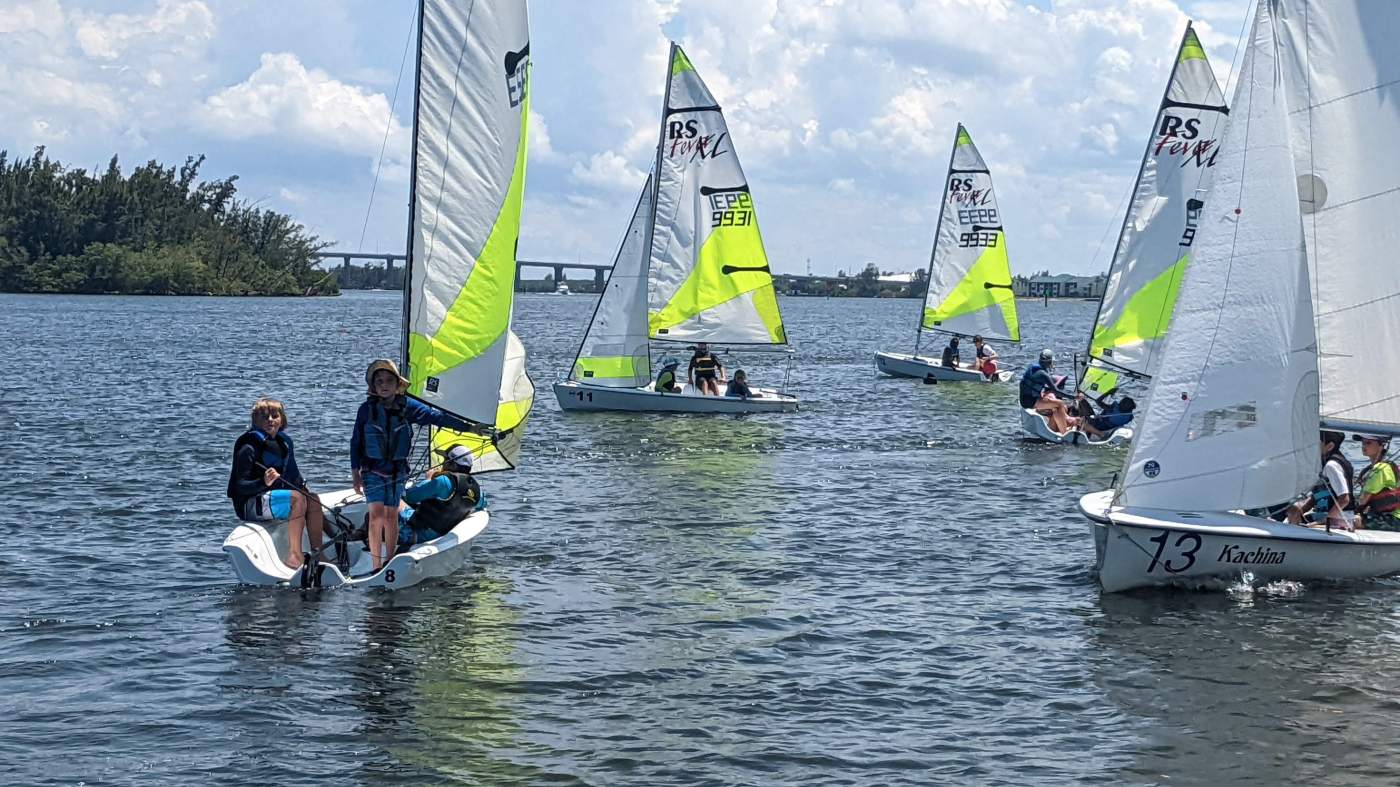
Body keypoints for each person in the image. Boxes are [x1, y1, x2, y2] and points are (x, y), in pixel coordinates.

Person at [351, 358, 476, 574]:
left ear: (397, 383)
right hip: (372, 471)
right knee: (376, 515)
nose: (384, 385)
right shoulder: (365, 410)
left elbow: (437, 417)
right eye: (379, 381)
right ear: (373, 385)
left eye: (389, 380)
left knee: (391, 516)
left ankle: (390, 560)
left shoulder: (407, 406)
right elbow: (356, 442)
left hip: (397, 472)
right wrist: (355, 474)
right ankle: (376, 564)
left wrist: (469, 427)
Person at [227, 397, 325, 569]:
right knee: (296, 499)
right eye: (264, 417)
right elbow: (237, 487)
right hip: (249, 503)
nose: (270, 420)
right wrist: (263, 482)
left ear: (282, 419)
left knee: (312, 498)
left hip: (273, 498)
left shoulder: (285, 443)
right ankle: (294, 556)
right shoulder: (248, 447)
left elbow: (294, 476)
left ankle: (318, 553)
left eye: (274, 415)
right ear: (255, 420)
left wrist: (304, 489)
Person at [397, 443, 487, 546]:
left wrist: (428, 479)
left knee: (391, 499)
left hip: (418, 533)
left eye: (445, 460)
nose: (443, 463)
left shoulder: (443, 481)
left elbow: (410, 496)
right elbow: (483, 503)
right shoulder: (476, 489)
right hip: (442, 534)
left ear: (453, 464)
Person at [1286, 430, 1355, 531]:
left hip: (1338, 521)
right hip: (1324, 517)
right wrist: (1299, 510)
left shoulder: (1331, 466)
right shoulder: (1324, 463)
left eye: (1316, 443)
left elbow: (1344, 499)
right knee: (1292, 512)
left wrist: (1322, 521)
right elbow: (1318, 496)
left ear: (1330, 446)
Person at [1019, 349, 1077, 433]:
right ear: (1049, 362)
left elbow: (1026, 386)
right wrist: (1074, 397)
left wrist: (1039, 395)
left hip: (1024, 400)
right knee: (1060, 403)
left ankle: (1057, 427)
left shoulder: (1032, 368)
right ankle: (1064, 432)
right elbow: (1056, 391)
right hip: (1030, 402)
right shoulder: (1043, 374)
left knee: (1056, 407)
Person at [1354, 434, 1400, 531]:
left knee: (1350, 520)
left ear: (1381, 446)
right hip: (1385, 516)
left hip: (1393, 519)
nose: (1364, 446)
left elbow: (1363, 500)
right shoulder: (1375, 468)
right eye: (1363, 443)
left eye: (1368, 443)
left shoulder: (1380, 469)